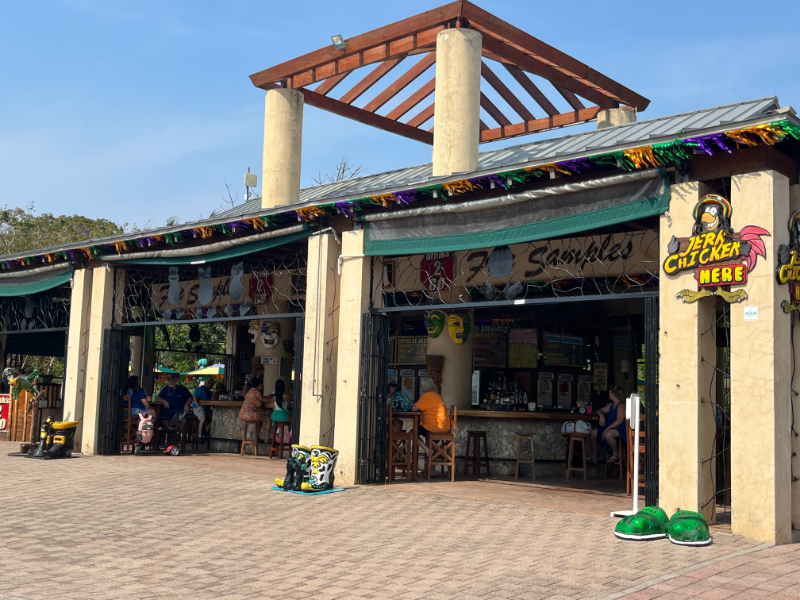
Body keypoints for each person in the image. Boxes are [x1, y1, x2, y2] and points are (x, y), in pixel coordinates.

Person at [412, 377, 451, 456]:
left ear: (424, 387)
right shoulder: (437, 396)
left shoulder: (427, 396)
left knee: (412, 433)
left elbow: (413, 409)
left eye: (421, 387)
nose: (421, 389)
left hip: (433, 427)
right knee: (430, 443)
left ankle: (427, 450)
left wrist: (412, 404)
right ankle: (430, 460)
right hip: (445, 428)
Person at [589, 387, 628, 464]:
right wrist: (601, 415)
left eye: (610, 393)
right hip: (610, 427)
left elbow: (619, 421)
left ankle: (615, 454)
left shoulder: (621, 405)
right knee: (593, 433)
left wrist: (607, 429)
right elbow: (599, 410)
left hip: (619, 428)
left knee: (608, 434)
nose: (608, 394)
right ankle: (594, 455)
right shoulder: (611, 405)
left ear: (614, 394)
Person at [191, 377, 214, 441]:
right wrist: (198, 406)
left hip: (207, 408)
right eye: (212, 384)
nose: (212, 386)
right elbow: (195, 398)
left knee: (214, 417)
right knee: (203, 417)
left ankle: (206, 429)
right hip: (197, 407)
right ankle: (200, 435)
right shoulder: (200, 389)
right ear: (208, 383)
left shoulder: (210, 393)